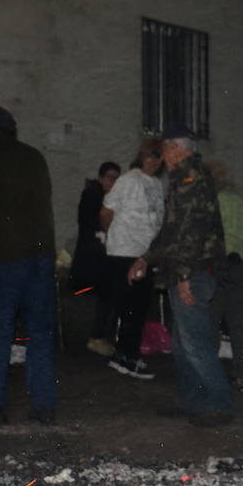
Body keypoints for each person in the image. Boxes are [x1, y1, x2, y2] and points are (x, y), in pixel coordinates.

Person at [130, 129, 233, 426]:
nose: (163, 157)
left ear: (177, 150)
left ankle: (219, 404)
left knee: (196, 343)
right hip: (186, 269)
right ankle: (194, 402)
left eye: (165, 150)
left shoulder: (191, 180)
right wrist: (146, 258)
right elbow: (172, 232)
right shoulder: (182, 181)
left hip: (194, 271)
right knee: (182, 343)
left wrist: (186, 274)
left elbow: (191, 231)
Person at [0, 106, 58, 425]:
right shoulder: (35, 158)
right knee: (40, 333)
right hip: (41, 257)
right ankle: (44, 405)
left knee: (0, 331)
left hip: (6, 259)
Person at [101, 138, 165, 380]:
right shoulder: (128, 180)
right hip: (124, 252)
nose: (154, 161)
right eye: (151, 155)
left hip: (145, 254)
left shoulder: (157, 185)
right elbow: (106, 212)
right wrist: (115, 237)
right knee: (130, 308)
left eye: (158, 157)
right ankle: (126, 356)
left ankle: (127, 355)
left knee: (139, 308)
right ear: (143, 156)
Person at [209, 162, 243, 388]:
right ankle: (239, 372)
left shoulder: (214, 201)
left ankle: (211, 371)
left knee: (213, 319)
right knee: (236, 322)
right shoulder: (238, 200)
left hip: (223, 264)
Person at [74, 161, 121, 356]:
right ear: (101, 178)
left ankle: (102, 336)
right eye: (109, 177)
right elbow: (92, 223)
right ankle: (97, 337)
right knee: (105, 295)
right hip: (94, 255)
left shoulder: (111, 197)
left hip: (105, 254)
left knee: (109, 296)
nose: (113, 181)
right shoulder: (92, 196)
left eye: (116, 178)